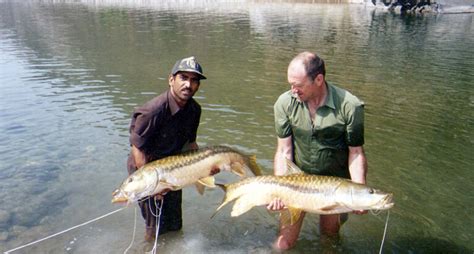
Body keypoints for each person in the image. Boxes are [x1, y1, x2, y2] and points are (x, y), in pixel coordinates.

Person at [267, 52, 368, 250]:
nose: (293, 90)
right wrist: (278, 190)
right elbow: (283, 151)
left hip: (334, 185)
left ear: (319, 79)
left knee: (329, 238)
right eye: (290, 84)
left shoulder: (350, 106)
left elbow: (356, 153)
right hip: (296, 180)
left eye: (298, 85)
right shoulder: (284, 103)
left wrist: (360, 191)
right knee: (283, 243)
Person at [126, 56, 206, 242]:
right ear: (171, 79)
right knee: (154, 227)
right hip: (145, 171)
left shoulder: (194, 110)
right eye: (183, 78)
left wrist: (203, 168)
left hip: (173, 168)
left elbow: (191, 145)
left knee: (174, 223)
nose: (188, 84)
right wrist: (154, 186)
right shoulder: (152, 111)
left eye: (194, 80)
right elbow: (137, 149)